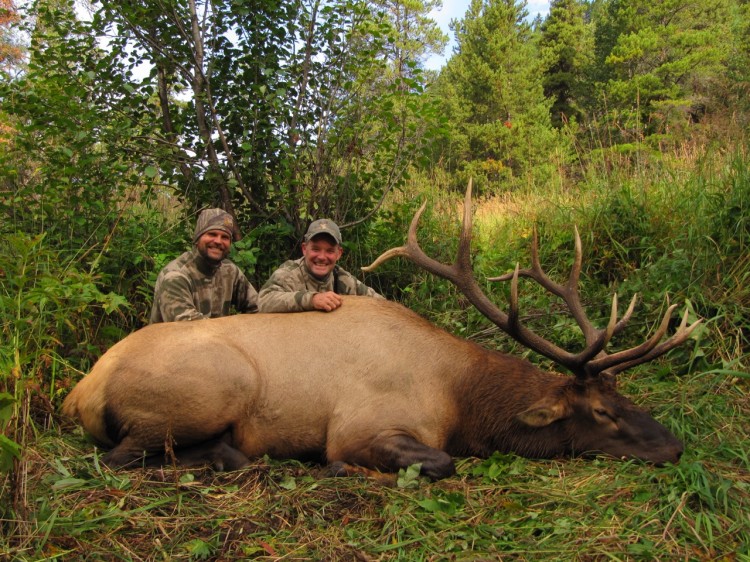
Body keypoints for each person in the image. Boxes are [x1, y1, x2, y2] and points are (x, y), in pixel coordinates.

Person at [150, 208, 259, 323]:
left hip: (216, 337)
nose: (218, 241)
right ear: (197, 238)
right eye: (212, 234)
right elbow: (188, 328)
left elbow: (258, 307)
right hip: (178, 339)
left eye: (225, 237)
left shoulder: (230, 271)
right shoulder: (175, 276)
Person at [259, 219, 383, 313]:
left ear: (339, 254)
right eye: (316, 249)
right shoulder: (289, 274)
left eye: (329, 251)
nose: (322, 257)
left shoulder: (342, 279)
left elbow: (382, 305)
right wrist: (312, 300)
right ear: (304, 249)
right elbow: (264, 301)